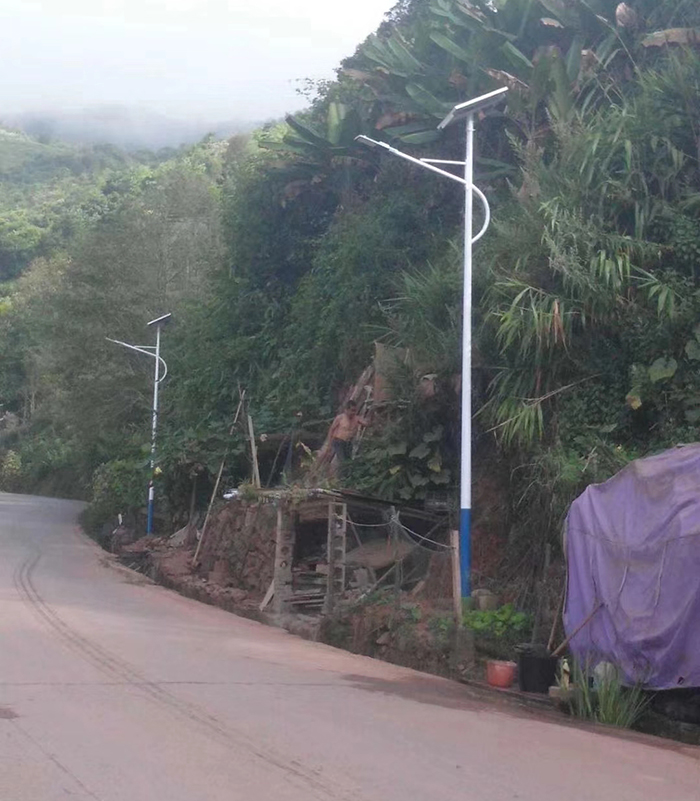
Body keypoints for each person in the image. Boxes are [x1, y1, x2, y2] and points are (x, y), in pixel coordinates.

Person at [327, 400, 368, 465]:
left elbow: (366, 423)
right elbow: (331, 430)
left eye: (355, 410)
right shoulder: (340, 418)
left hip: (348, 442)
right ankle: (342, 474)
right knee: (342, 461)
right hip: (339, 441)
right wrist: (329, 444)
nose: (353, 412)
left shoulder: (356, 418)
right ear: (347, 410)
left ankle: (347, 474)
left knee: (348, 461)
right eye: (352, 410)